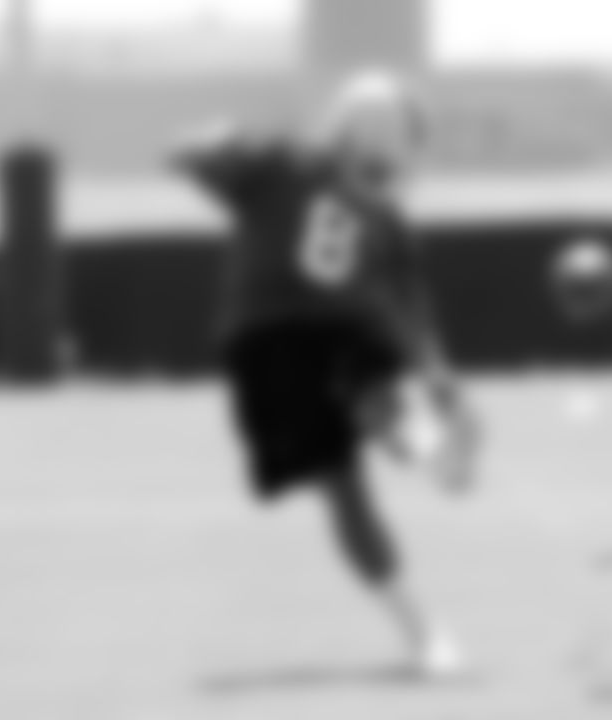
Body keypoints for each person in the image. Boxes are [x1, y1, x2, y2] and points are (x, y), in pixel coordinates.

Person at [171, 69, 479, 679]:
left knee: (356, 458)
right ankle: (424, 461)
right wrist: (441, 388)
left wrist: (441, 385)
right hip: (282, 341)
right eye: (396, 134)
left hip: (296, 340)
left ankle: (422, 455)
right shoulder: (298, 170)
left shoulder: (354, 201)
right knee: (350, 478)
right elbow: (193, 155)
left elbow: (188, 153)